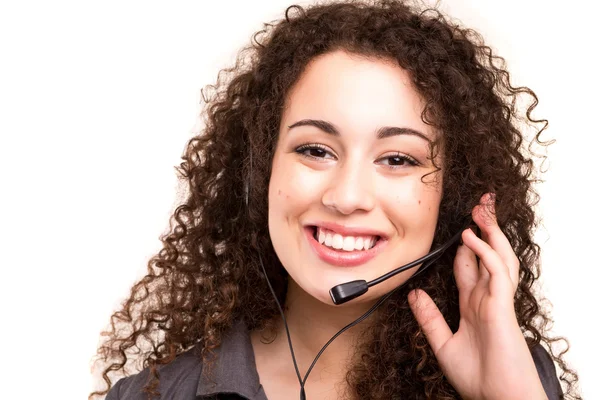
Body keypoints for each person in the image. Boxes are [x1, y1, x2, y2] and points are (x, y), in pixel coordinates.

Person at [90, 1, 581, 399]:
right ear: (258, 175)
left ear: (451, 199)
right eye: (315, 150)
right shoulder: (156, 394)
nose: (346, 197)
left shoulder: (515, 377)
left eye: (397, 160)